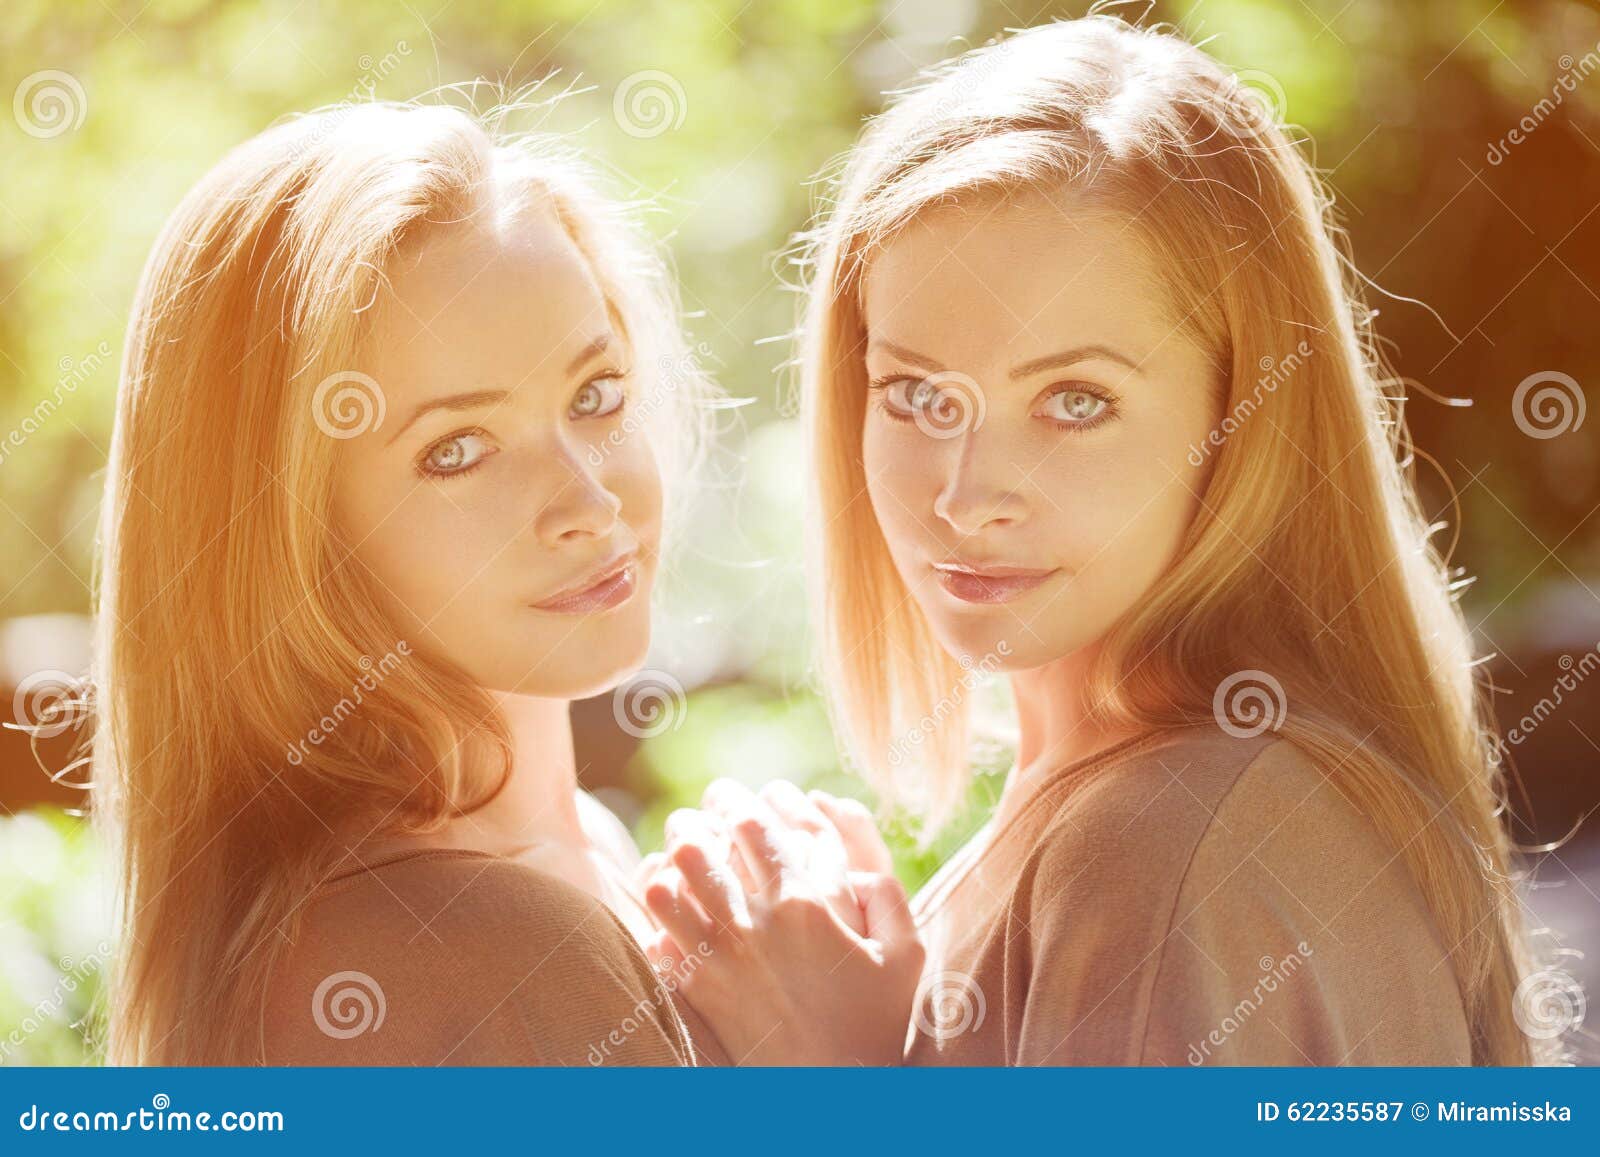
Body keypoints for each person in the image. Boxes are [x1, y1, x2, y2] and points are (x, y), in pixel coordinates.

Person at [641, 15, 1544, 1067]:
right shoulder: (1174, 803)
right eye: (917, 393)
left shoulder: (1165, 847)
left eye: (1075, 400)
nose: (967, 495)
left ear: (1243, 414)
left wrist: (835, 1073)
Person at [93, 98, 710, 1065]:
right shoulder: (487, 947)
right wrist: (847, 1049)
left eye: (596, 395)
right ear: (291, 539)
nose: (589, 502)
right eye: (457, 449)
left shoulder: (569, 858)